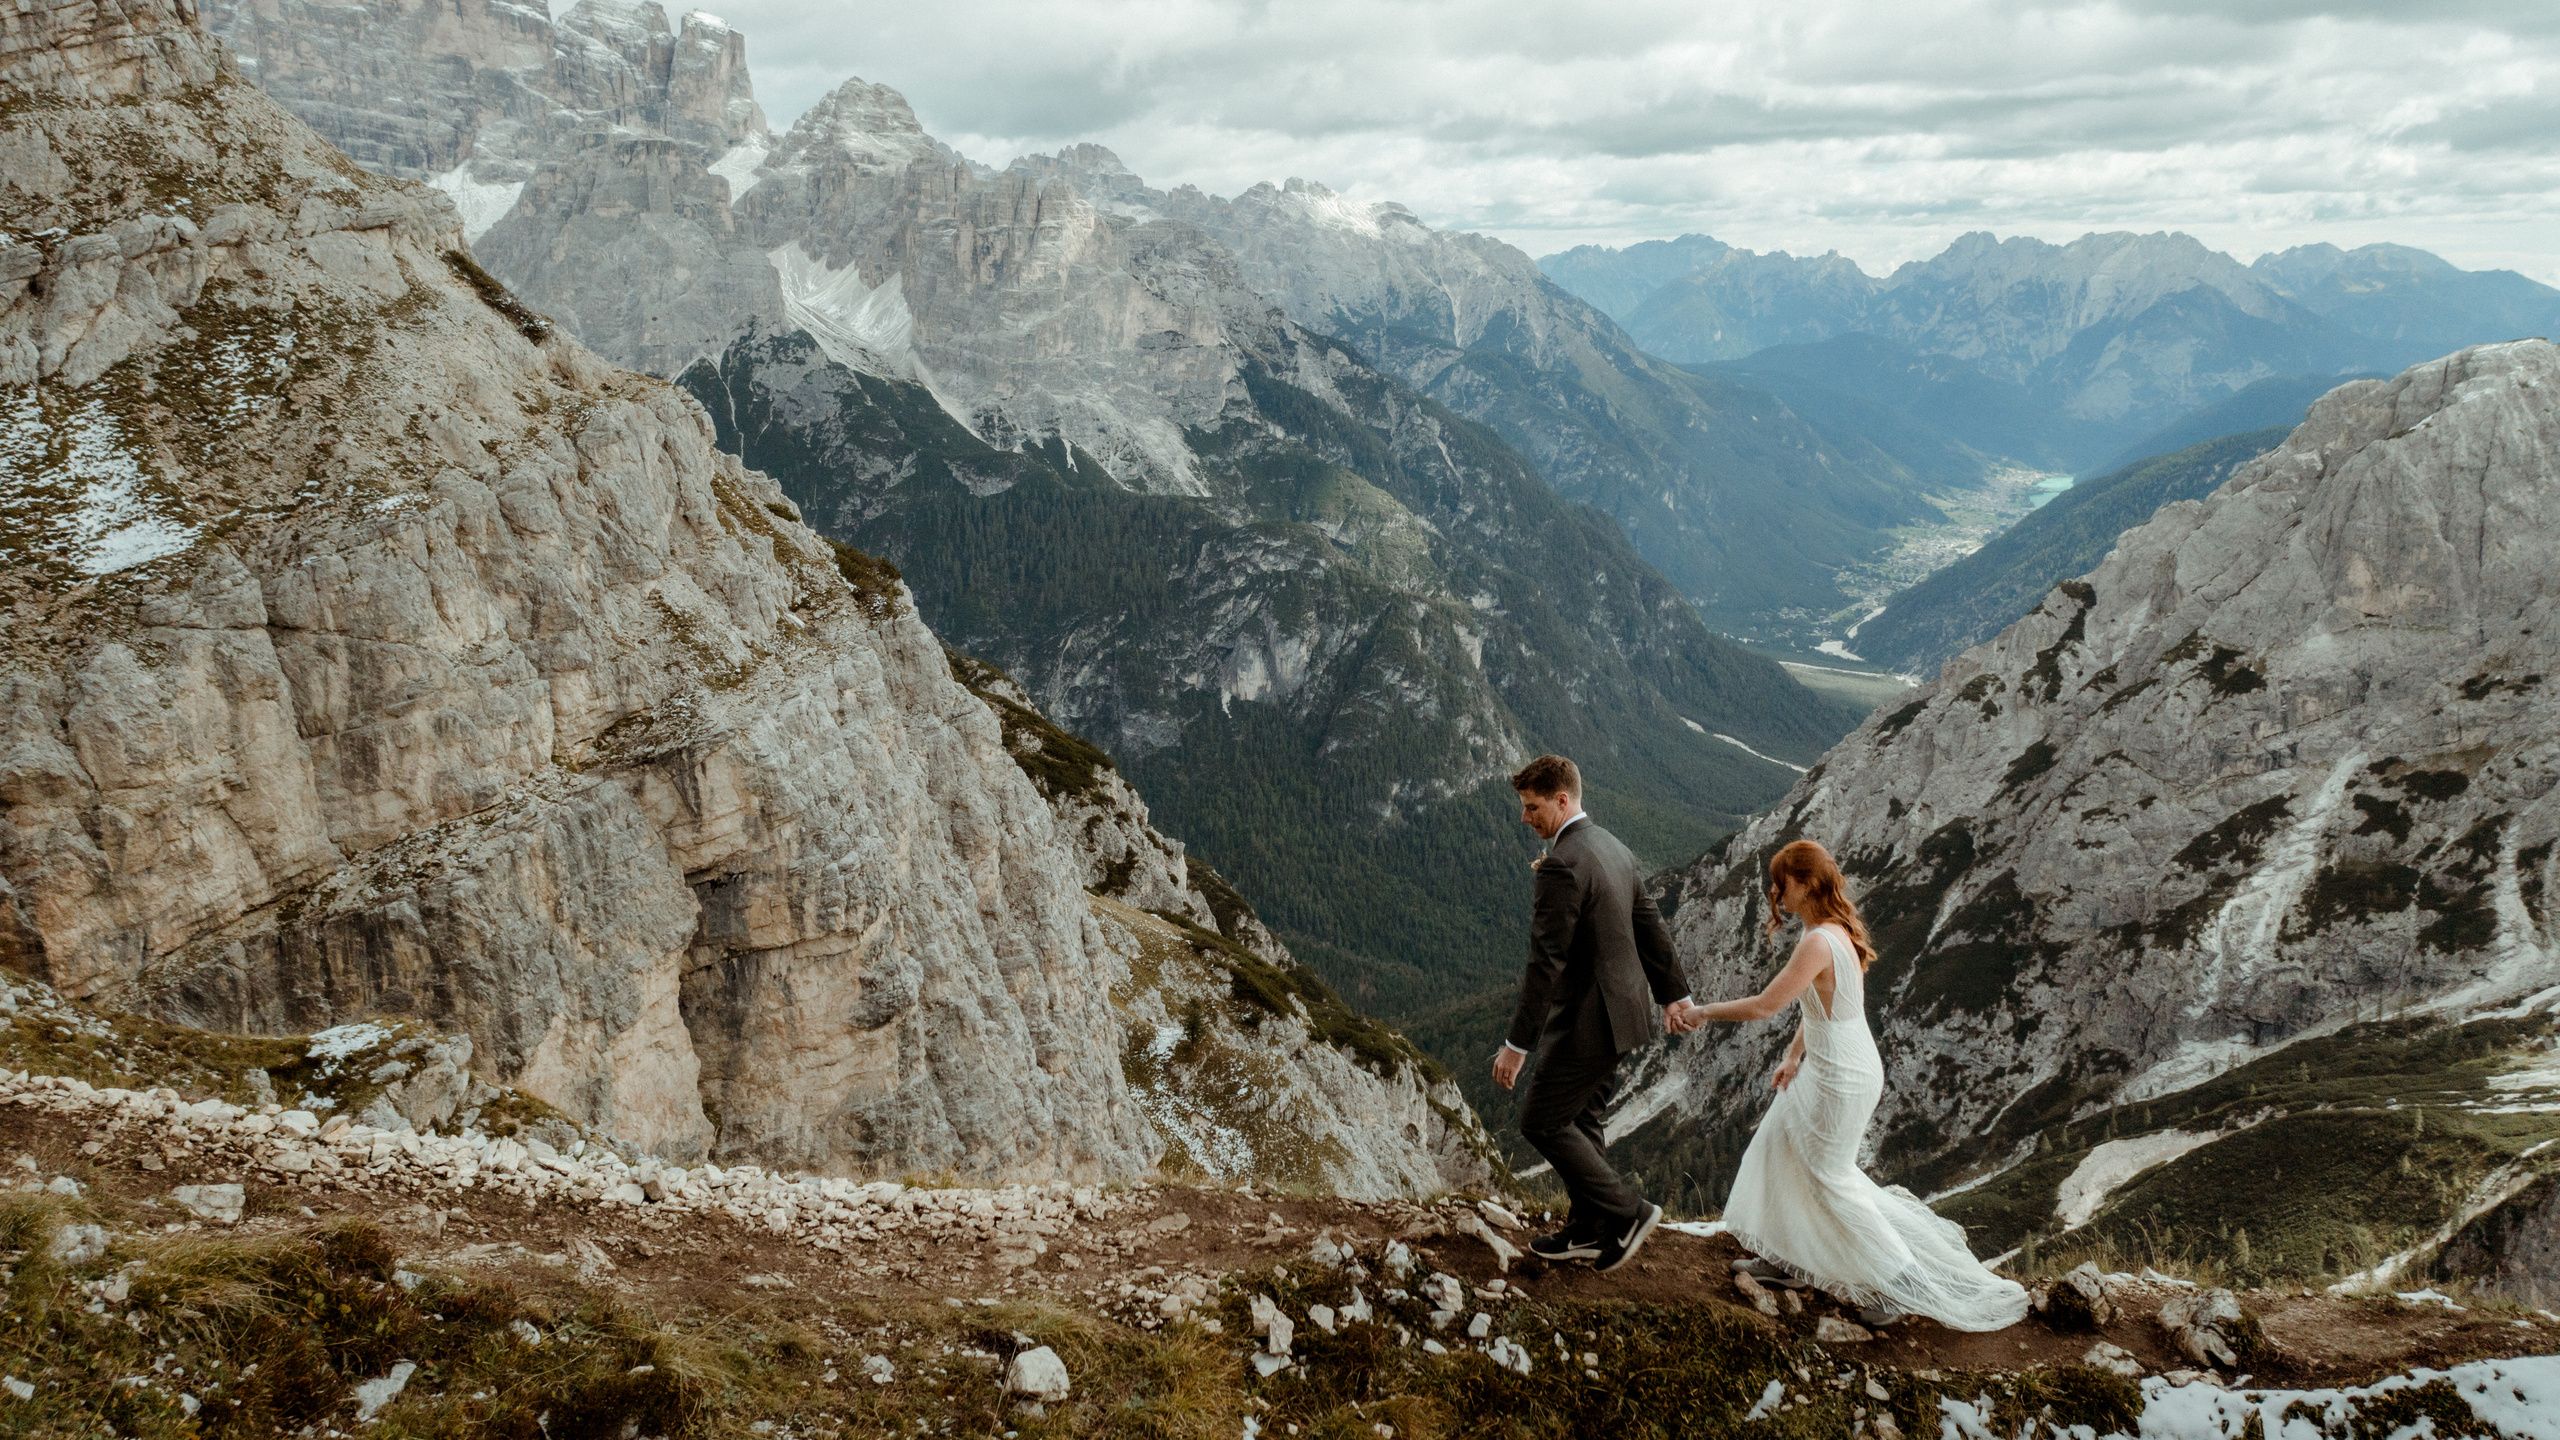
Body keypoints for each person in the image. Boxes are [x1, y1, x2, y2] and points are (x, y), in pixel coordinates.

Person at [1670, 839, 2028, 1330]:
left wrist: (1703, 1012)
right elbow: (1820, 1005)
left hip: (1841, 1075)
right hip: (1833, 1064)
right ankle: (1788, 1260)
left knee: (1832, 1178)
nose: (1775, 892)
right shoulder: (1832, 932)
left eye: (1781, 883)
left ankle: (1901, 1282)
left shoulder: (1818, 941)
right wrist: (1793, 1056)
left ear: (1804, 883)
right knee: (1778, 1146)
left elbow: (1766, 1005)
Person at [1492, 754, 1694, 1273]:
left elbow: (1546, 962)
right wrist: (1674, 994)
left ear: (1562, 800)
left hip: (1590, 1019)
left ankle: (1629, 1212)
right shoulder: (1612, 845)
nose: (1524, 817)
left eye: (1532, 807)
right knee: (1583, 1120)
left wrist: (1517, 1045)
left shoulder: (1563, 863)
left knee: (1542, 1120)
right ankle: (1590, 1228)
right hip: (1625, 1014)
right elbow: (1650, 924)